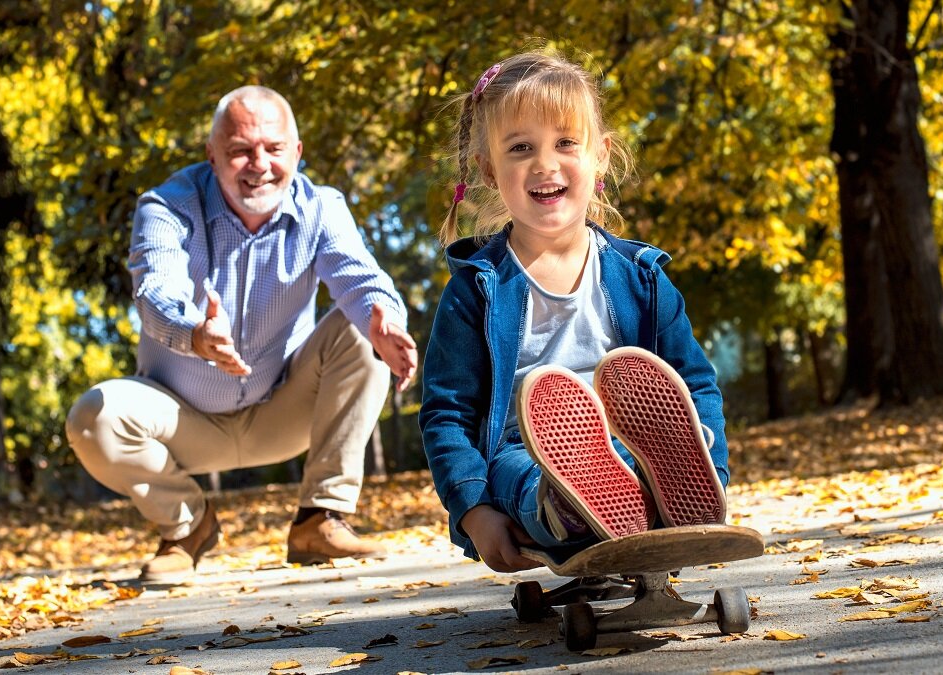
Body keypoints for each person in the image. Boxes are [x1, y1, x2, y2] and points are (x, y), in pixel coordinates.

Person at [65, 85, 418, 584]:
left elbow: (359, 277)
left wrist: (383, 316)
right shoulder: (166, 206)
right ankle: (187, 525)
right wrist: (194, 333)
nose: (259, 164)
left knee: (364, 332)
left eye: (273, 149)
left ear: (295, 153)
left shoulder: (322, 207)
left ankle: (319, 519)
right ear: (212, 155)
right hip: (184, 420)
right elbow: (154, 292)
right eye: (240, 150)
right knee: (92, 417)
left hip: (282, 408)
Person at [419, 51, 729, 574]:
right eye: (521, 148)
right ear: (490, 170)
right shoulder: (477, 290)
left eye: (566, 142)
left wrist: (712, 471)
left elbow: (693, 382)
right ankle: (566, 505)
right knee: (524, 477)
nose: (545, 164)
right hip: (524, 453)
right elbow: (448, 413)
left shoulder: (641, 277)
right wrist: (473, 510)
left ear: (600, 155)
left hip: (632, 439)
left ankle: (673, 488)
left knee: (647, 461)